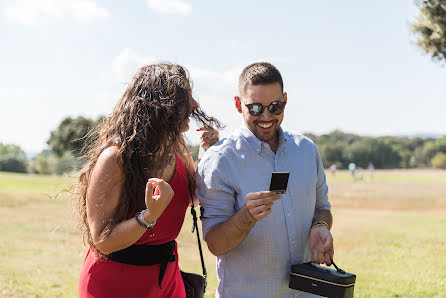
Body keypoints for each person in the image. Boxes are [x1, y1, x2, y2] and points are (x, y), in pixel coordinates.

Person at [76, 63, 219, 297]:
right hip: (113, 284)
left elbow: (192, 196)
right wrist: (149, 216)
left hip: (167, 281)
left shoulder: (178, 146)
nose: (194, 105)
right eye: (185, 97)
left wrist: (207, 153)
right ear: (161, 104)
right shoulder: (115, 158)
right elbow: (103, 239)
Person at [195, 62, 334, 297]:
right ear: (239, 105)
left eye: (275, 106)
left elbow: (322, 209)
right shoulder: (219, 160)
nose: (267, 116)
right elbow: (215, 244)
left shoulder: (306, 150)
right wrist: (246, 217)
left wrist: (320, 226)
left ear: (285, 100)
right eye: (256, 108)